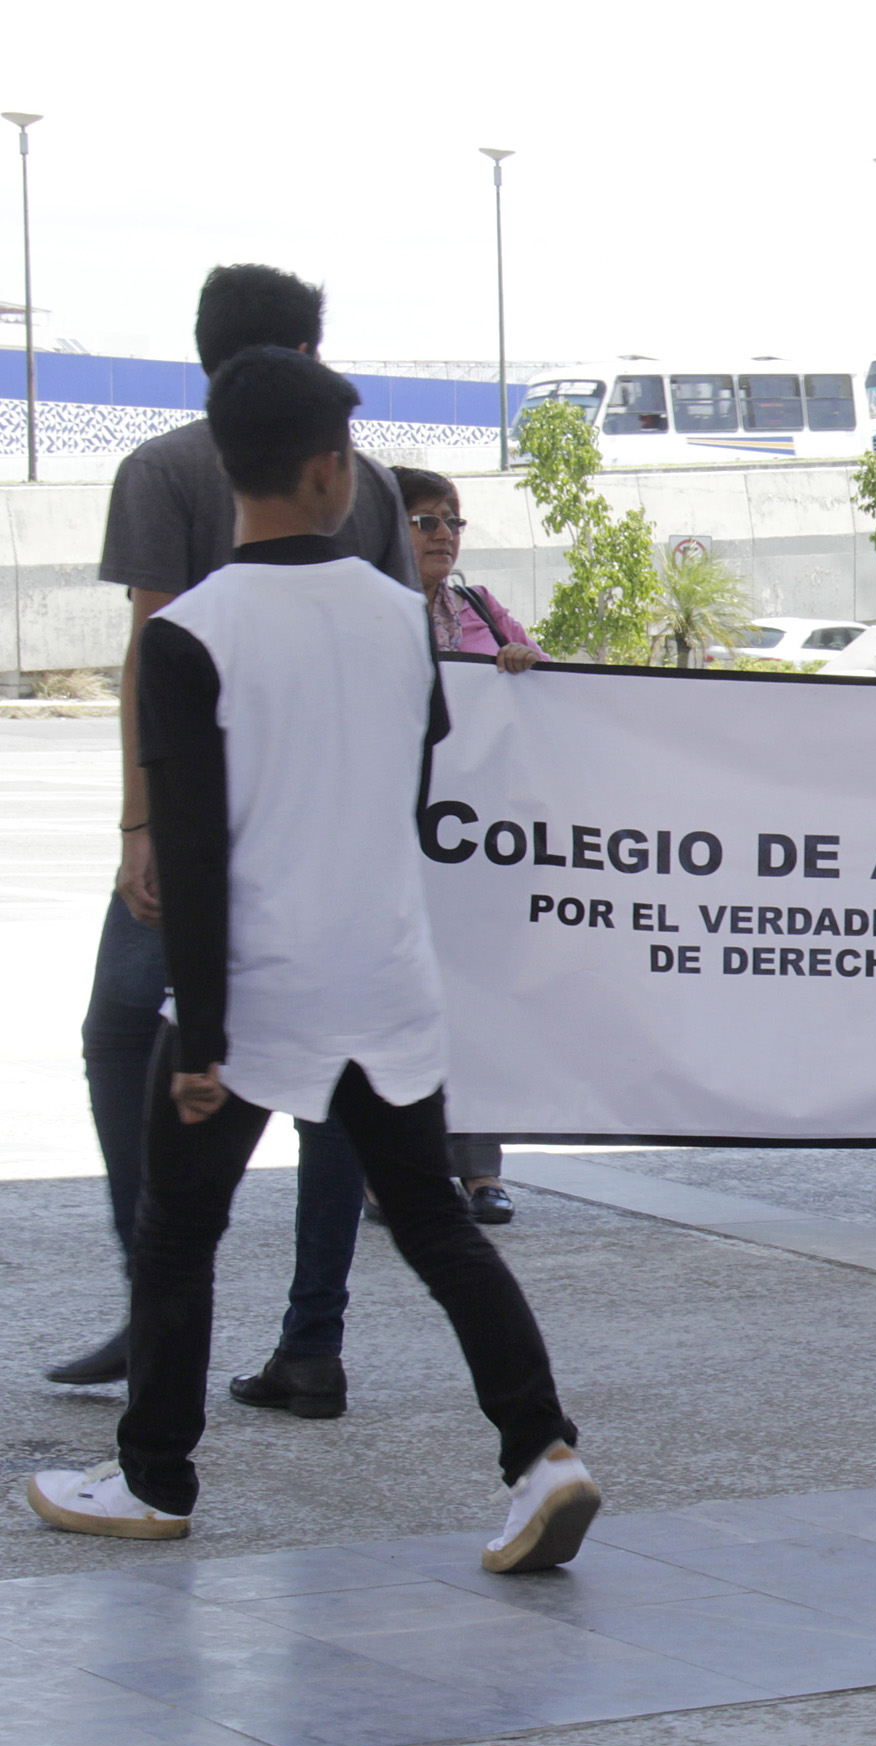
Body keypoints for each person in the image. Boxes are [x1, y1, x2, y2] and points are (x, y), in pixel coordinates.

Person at [23, 349, 600, 1572]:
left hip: (254, 986)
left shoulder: (190, 635)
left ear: (231, 467)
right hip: (385, 977)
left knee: (181, 1230)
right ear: (334, 472)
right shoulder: (403, 622)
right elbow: (414, 784)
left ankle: (151, 1477)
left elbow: (187, 845)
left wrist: (208, 1044)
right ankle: (543, 1451)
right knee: (439, 1227)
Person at [49, 264, 420, 1421]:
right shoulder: (360, 477)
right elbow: (412, 650)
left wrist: (139, 824)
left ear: (202, 352)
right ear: (313, 350)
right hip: (338, 835)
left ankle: (154, 1297)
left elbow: (150, 650)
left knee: (133, 1037)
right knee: (340, 1082)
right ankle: (313, 1333)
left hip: (202, 817)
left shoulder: (161, 466)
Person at [396, 464, 540, 1226]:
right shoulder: (372, 617)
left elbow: (558, 701)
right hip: (393, 845)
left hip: (477, 847)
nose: (443, 534)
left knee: (477, 1002)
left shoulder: (481, 609)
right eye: (425, 520)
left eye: (452, 520)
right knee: (401, 1009)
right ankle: (393, 1174)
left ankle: (481, 1172)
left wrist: (522, 665)